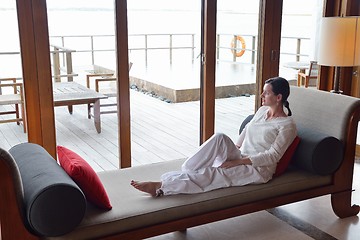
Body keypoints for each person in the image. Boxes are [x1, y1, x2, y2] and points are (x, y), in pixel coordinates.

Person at [131, 77, 297, 197]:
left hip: (258, 169)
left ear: (278, 97)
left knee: (214, 173)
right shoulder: (262, 111)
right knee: (220, 137)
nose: (261, 95)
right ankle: (189, 170)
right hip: (242, 155)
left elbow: (273, 156)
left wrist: (237, 162)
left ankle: (161, 186)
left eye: (266, 93)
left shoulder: (287, 126)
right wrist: (235, 149)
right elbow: (247, 129)